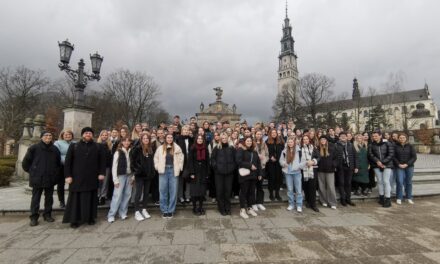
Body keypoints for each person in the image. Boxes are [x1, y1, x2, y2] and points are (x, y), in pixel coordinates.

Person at [63, 127, 106, 228]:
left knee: (91, 198)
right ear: (83, 134)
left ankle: (90, 217)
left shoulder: (98, 146)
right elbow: (68, 162)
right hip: (77, 177)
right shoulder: (74, 146)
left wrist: (102, 173)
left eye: (90, 133)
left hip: (92, 177)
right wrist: (68, 175)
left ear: (92, 135)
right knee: (75, 200)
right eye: (86, 133)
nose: (88, 134)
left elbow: (102, 162)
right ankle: (74, 219)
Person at [22, 131, 61, 226]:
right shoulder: (34, 148)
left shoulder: (55, 149)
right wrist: (32, 172)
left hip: (50, 177)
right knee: (35, 198)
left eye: (50, 135)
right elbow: (25, 163)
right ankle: (34, 217)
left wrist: (55, 173)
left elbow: (58, 163)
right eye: (46, 135)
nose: (48, 137)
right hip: (37, 177)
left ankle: (47, 215)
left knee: (49, 198)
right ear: (41, 137)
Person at [154, 134, 184, 218]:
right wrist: (157, 167)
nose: (169, 139)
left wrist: (180, 167)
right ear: (165, 138)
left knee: (173, 191)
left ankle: (171, 210)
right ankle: (164, 210)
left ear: (172, 139)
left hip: (173, 170)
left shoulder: (177, 147)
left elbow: (182, 157)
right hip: (163, 171)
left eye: (171, 137)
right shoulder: (160, 148)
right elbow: (156, 158)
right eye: (168, 137)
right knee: (163, 191)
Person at [130, 133, 155, 221]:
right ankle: (137, 211)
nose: (146, 140)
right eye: (144, 138)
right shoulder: (137, 149)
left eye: (147, 138)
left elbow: (152, 162)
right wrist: (138, 171)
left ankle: (144, 209)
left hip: (148, 175)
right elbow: (133, 163)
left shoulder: (150, 149)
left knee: (146, 193)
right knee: (138, 193)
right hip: (140, 175)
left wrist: (152, 172)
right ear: (141, 139)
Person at [108, 137, 133, 223]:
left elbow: (133, 165)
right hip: (120, 176)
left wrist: (133, 177)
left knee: (127, 195)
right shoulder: (118, 152)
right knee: (117, 195)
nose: (126, 142)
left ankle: (122, 212)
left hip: (129, 175)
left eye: (128, 141)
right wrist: (115, 180)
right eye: (125, 141)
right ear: (122, 142)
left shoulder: (131, 151)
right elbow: (114, 167)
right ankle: (111, 214)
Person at [236, 136, 262, 219]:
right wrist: (250, 165)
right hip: (244, 175)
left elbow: (258, 163)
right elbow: (238, 161)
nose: (249, 142)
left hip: (253, 175)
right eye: (247, 141)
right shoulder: (241, 150)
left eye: (250, 141)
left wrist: (260, 174)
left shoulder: (254, 152)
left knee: (251, 192)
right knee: (243, 192)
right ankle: (242, 209)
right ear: (244, 142)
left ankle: (249, 208)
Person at [211, 132, 236, 215]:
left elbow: (235, 159)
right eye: (222, 138)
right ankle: (221, 208)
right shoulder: (216, 148)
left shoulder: (231, 148)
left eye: (225, 138)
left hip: (229, 173)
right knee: (220, 191)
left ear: (227, 138)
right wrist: (216, 168)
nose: (224, 139)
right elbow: (213, 159)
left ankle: (228, 207)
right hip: (219, 174)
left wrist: (232, 168)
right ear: (220, 139)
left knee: (228, 191)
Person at [368, 131, 394, 208]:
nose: (374, 137)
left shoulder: (387, 143)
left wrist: (383, 162)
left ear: (380, 136)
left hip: (387, 165)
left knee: (386, 181)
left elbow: (391, 154)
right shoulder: (371, 145)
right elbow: (370, 154)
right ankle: (381, 197)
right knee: (379, 181)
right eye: (373, 136)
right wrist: (377, 161)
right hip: (376, 165)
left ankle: (388, 199)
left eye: (376, 136)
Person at [279, 137, 305, 212]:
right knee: (290, 189)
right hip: (288, 173)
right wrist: (284, 164)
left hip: (297, 172)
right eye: (289, 142)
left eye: (291, 142)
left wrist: (298, 166)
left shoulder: (299, 151)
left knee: (298, 190)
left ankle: (299, 205)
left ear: (294, 143)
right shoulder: (284, 151)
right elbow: (280, 161)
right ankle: (291, 204)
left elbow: (303, 161)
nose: (290, 143)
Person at [187, 134, 210, 215]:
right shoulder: (192, 148)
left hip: (203, 172)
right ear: (196, 139)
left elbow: (207, 161)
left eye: (201, 139)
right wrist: (192, 172)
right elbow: (190, 161)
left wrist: (207, 172)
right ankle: (194, 207)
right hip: (195, 172)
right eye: (198, 138)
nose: (200, 140)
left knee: (202, 191)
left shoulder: (205, 149)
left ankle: (200, 207)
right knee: (194, 191)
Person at [335, 132, 358, 207]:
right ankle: (343, 199)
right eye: (341, 136)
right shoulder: (336, 145)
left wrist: (356, 166)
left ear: (346, 137)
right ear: (339, 137)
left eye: (344, 136)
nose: (343, 137)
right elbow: (334, 157)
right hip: (341, 167)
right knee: (341, 183)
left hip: (350, 167)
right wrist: (336, 165)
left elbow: (355, 156)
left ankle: (348, 199)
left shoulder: (351, 145)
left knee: (348, 183)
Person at [394, 133, 417, 205]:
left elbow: (414, 157)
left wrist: (407, 164)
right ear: (398, 138)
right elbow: (393, 157)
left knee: (408, 182)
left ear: (406, 138)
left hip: (409, 166)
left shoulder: (410, 146)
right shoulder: (395, 146)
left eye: (403, 137)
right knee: (400, 182)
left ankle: (409, 197)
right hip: (399, 166)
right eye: (400, 137)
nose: (402, 139)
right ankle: (399, 197)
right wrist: (398, 164)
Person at [53, 130, 75, 208]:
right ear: (62, 135)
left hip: (73, 167)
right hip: (62, 166)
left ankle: (71, 200)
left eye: (69, 134)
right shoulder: (57, 143)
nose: (68, 136)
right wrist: (66, 162)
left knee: (73, 184)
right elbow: (56, 155)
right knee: (61, 184)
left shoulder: (75, 143)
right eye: (66, 134)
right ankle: (61, 201)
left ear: (72, 136)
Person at [317, 136, 339, 209]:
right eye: (321, 139)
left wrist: (333, 165)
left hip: (330, 170)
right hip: (320, 170)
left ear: (326, 140)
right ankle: (323, 201)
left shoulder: (332, 147)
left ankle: (332, 202)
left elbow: (336, 158)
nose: (322, 140)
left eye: (324, 139)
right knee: (321, 186)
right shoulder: (317, 148)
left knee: (330, 186)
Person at [300, 134, 320, 212]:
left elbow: (318, 157)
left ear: (309, 140)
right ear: (302, 141)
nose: (305, 140)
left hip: (312, 170)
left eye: (307, 139)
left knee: (312, 187)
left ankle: (313, 204)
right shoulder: (300, 148)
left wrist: (313, 161)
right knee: (305, 187)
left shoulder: (314, 148)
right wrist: (304, 163)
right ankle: (308, 201)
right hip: (303, 170)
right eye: (304, 139)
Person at [266, 128, 285, 201]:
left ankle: (277, 193)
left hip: (278, 163)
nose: (274, 134)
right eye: (272, 133)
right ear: (270, 134)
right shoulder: (267, 142)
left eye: (275, 132)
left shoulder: (280, 142)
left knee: (278, 178)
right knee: (271, 178)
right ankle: (271, 194)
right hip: (271, 163)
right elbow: (266, 152)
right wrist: (270, 157)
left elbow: (283, 152)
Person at [177, 125, 194, 204]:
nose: (186, 131)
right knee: (180, 180)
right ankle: (180, 196)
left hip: (189, 162)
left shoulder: (191, 139)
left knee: (188, 180)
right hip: (180, 162)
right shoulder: (178, 139)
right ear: (182, 131)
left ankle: (188, 196)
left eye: (187, 130)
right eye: (184, 130)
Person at [254, 130, 269, 211]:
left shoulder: (264, 144)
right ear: (255, 135)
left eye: (260, 134)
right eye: (257, 134)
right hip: (254, 168)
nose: (259, 135)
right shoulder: (252, 143)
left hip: (262, 167)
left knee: (260, 186)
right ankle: (253, 203)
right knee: (253, 186)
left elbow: (267, 154)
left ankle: (259, 202)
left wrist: (264, 160)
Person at [97, 130, 112, 205]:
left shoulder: (110, 145)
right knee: (99, 182)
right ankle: (97, 196)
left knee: (105, 182)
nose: (104, 136)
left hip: (107, 166)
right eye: (103, 135)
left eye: (106, 135)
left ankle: (103, 196)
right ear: (100, 136)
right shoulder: (97, 144)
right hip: (98, 167)